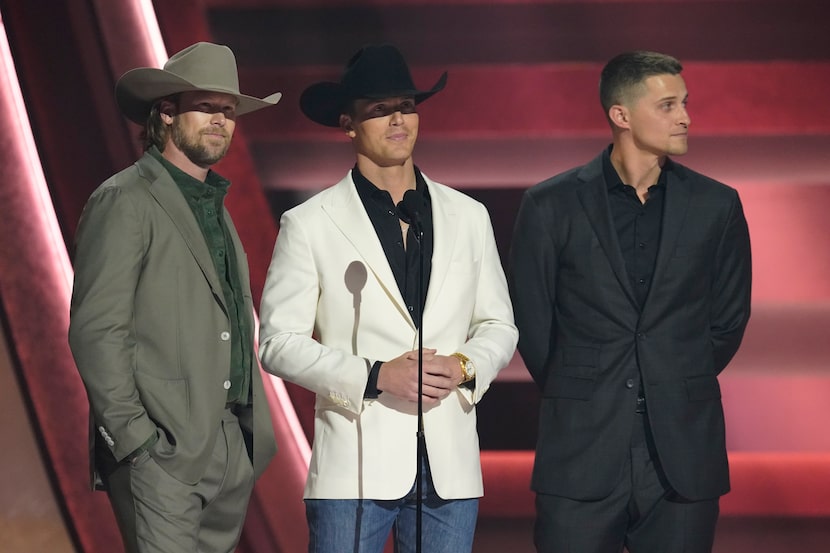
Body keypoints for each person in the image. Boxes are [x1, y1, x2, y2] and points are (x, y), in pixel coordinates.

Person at [258, 44, 518, 553]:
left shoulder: (468, 216)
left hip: (449, 467)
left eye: (406, 105)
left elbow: (499, 325)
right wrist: (375, 375)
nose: (398, 119)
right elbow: (277, 342)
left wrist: (465, 364)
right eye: (379, 109)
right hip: (354, 466)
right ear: (348, 124)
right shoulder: (310, 224)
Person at [509, 51, 752, 553]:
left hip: (682, 452)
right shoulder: (550, 204)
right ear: (621, 115)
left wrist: (673, 375)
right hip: (581, 447)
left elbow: (728, 319)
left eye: (685, 103)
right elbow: (532, 322)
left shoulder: (717, 205)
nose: (685, 117)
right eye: (667, 105)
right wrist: (580, 387)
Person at [68, 42, 281, 553]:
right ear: (165, 113)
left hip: (228, 444)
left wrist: (240, 448)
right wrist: (137, 441)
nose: (220, 121)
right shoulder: (125, 199)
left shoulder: (217, 208)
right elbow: (96, 330)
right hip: (160, 450)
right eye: (206, 107)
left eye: (228, 112)